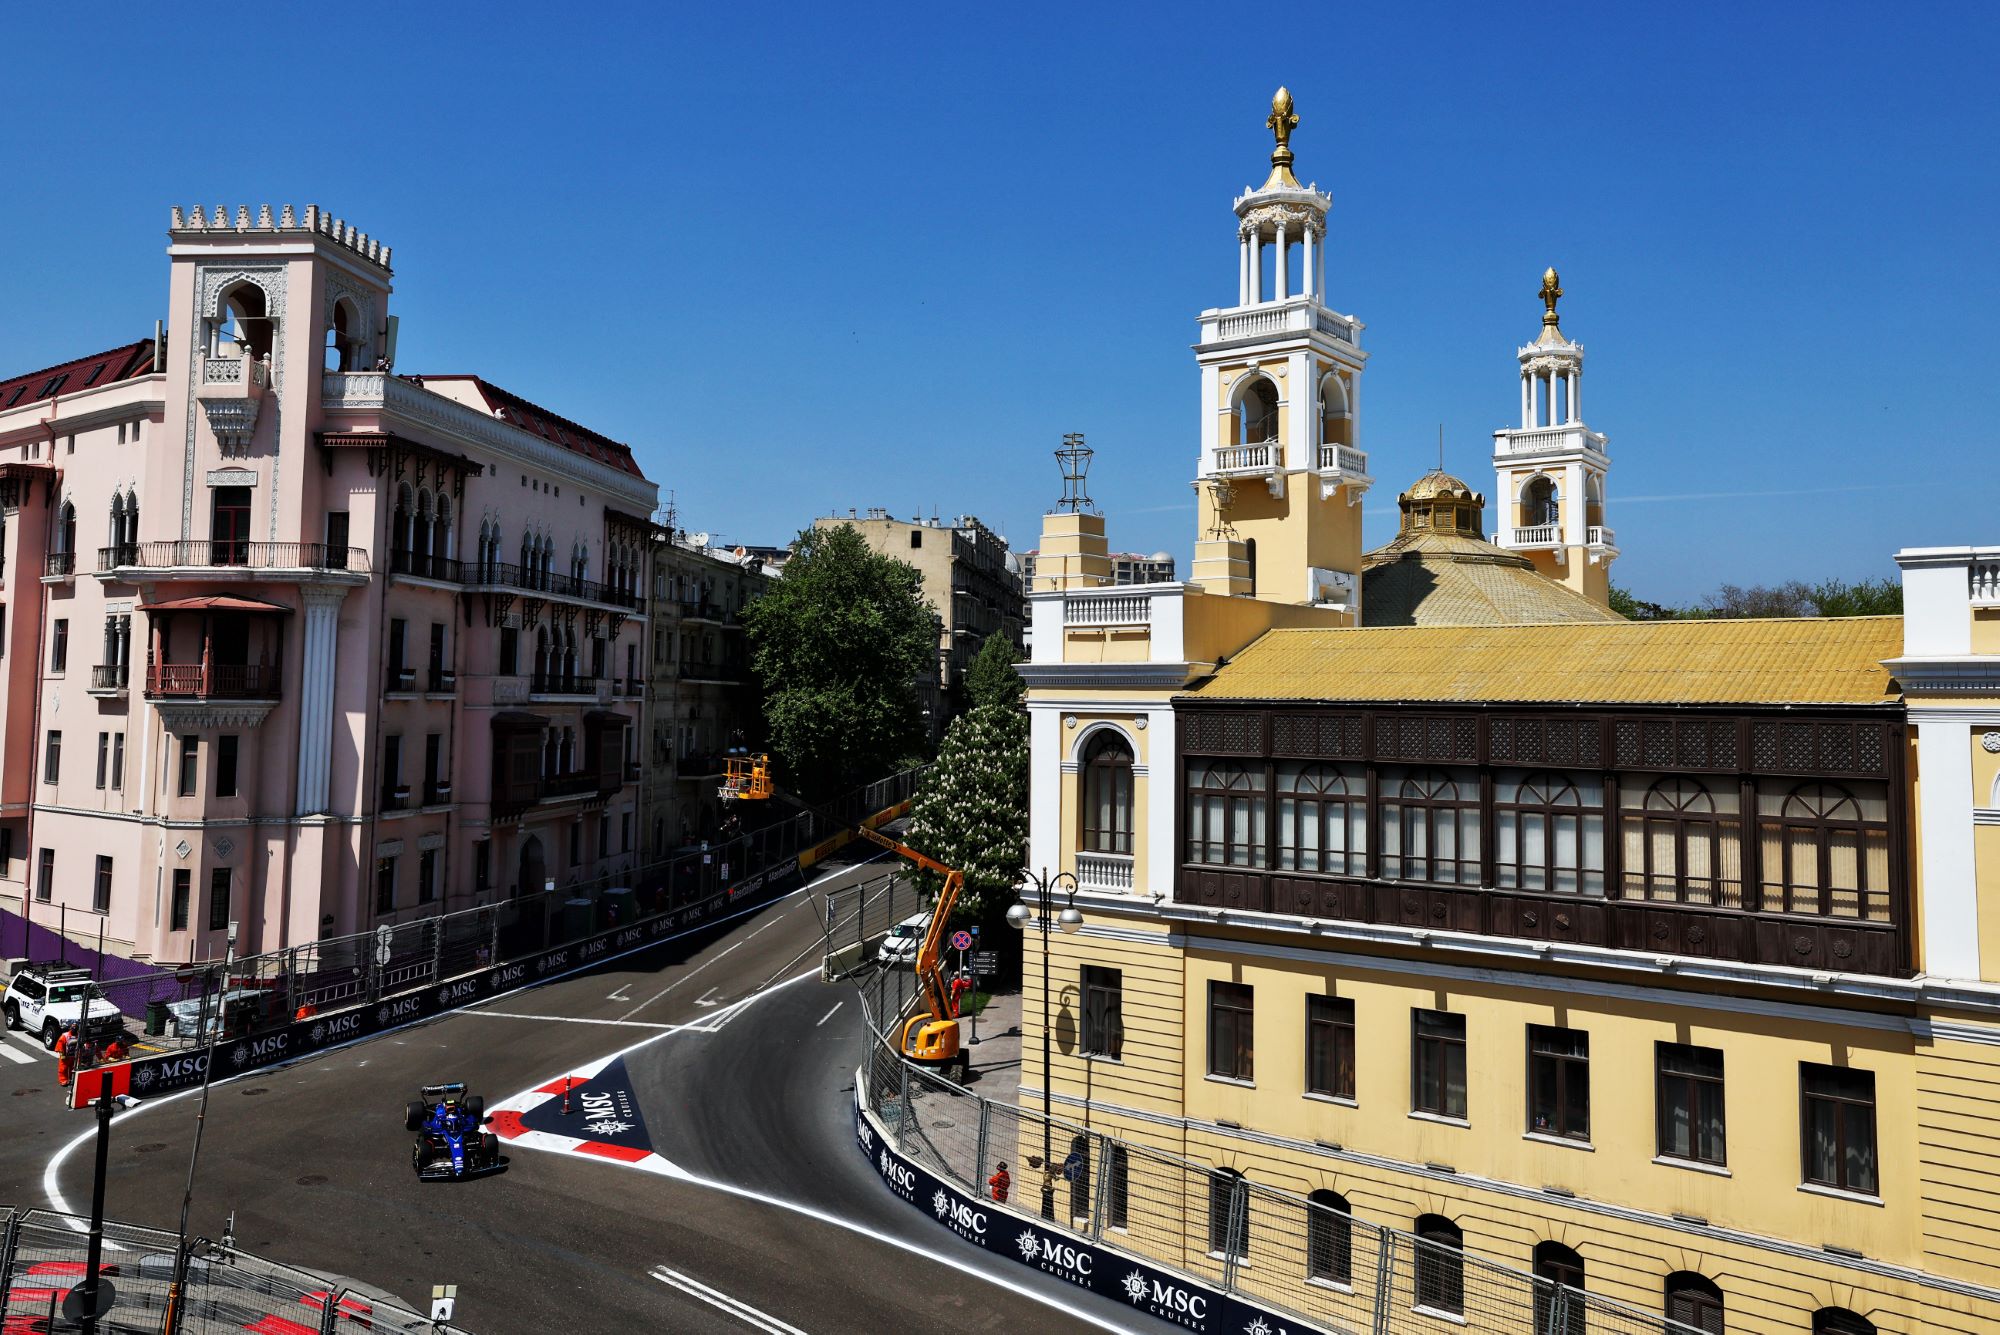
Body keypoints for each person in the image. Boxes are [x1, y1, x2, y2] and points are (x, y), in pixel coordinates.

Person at [52, 1022, 74, 1088]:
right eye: (73, 1027)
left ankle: (71, 1079)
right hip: (65, 1055)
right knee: (63, 1069)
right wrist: (62, 1054)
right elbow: (60, 1045)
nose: (74, 1029)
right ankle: (63, 1080)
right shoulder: (65, 1036)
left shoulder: (78, 1035)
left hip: (74, 1056)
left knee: (72, 1068)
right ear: (70, 1028)